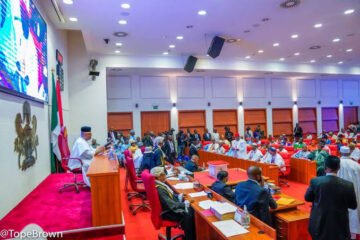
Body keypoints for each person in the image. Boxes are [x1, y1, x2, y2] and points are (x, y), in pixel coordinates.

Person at [305, 156, 357, 240]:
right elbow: (353, 205)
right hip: (339, 226)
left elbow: (307, 198)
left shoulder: (315, 181)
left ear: (325, 167)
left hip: (319, 223)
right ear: (339, 168)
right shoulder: (348, 185)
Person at [151, 167, 196, 240]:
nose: (165, 175)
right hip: (168, 212)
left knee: (190, 209)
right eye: (163, 174)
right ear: (159, 177)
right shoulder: (159, 189)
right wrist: (185, 204)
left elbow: (169, 195)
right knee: (191, 213)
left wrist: (179, 196)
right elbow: (171, 205)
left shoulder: (158, 184)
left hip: (166, 208)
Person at [338, 146, 360, 239]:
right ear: (350, 153)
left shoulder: (336, 163)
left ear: (340, 153)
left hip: (339, 192)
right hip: (353, 191)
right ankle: (352, 235)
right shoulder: (356, 165)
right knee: (353, 212)